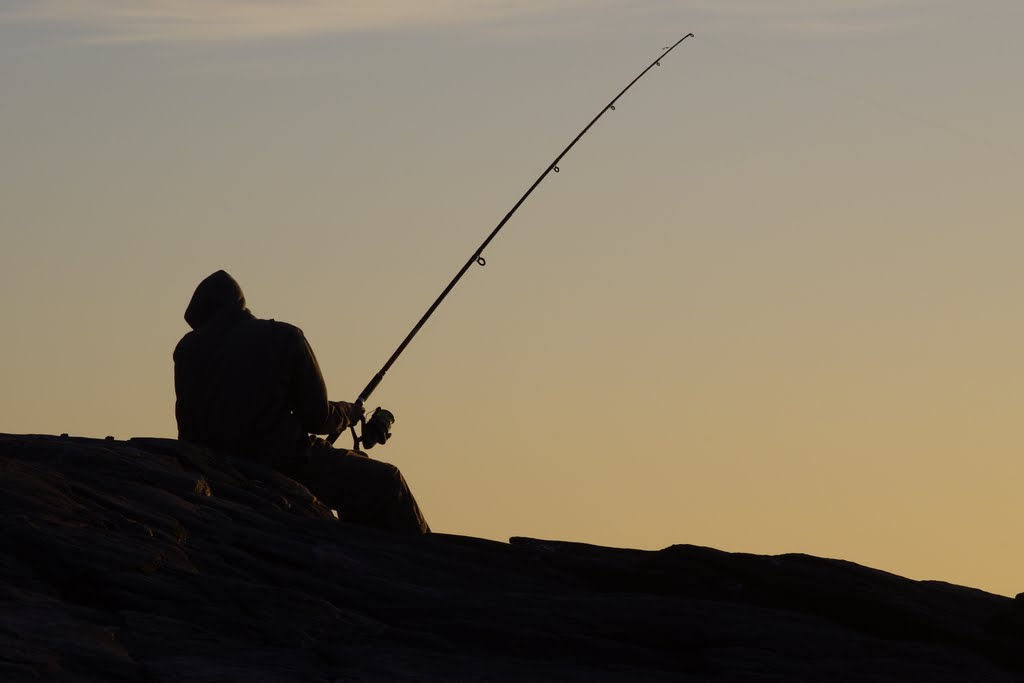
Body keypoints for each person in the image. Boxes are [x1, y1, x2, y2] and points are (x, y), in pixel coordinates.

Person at [173, 270, 429, 534]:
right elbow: (318, 419)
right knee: (387, 481)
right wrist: (348, 412)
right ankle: (429, 564)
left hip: (218, 466)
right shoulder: (284, 336)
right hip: (286, 462)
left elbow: (187, 428)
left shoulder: (186, 349)